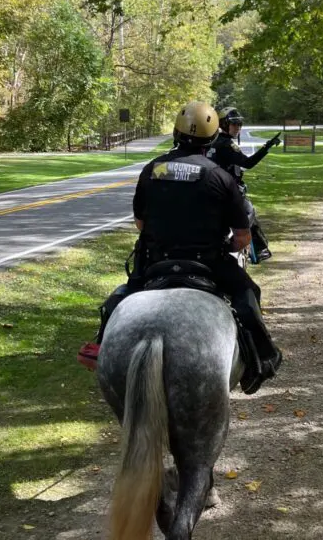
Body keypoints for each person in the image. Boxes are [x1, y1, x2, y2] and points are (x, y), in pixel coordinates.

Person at [77, 102, 282, 393]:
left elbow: (139, 222)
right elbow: (242, 237)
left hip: (155, 259)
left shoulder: (153, 169)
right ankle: (262, 358)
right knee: (248, 294)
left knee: (123, 294)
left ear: (175, 132)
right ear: (212, 137)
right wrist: (228, 243)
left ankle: (99, 344)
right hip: (208, 262)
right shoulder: (221, 177)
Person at [207, 108, 281, 261]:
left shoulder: (209, 142)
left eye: (240, 124)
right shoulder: (227, 144)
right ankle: (260, 251)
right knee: (249, 211)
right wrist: (266, 147)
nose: (238, 127)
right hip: (227, 192)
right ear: (223, 124)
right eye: (234, 124)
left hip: (209, 190)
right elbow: (248, 163)